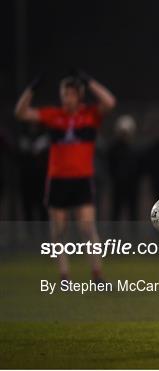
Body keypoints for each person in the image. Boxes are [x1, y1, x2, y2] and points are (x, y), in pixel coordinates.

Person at [14, 70, 116, 282]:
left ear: (79, 95)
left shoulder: (89, 115)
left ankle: (97, 273)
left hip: (81, 179)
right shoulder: (54, 115)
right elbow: (21, 113)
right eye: (64, 93)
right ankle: (64, 275)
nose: (67, 97)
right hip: (58, 179)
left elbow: (110, 102)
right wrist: (32, 89)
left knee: (87, 228)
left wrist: (90, 82)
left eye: (71, 93)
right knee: (59, 230)